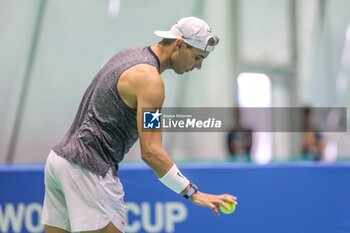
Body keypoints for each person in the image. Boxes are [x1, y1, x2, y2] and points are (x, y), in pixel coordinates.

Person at [41, 17, 238, 233]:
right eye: (197, 57)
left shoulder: (129, 56)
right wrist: (193, 193)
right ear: (179, 45)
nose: (198, 66)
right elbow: (151, 151)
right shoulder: (151, 81)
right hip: (88, 169)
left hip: (59, 161)